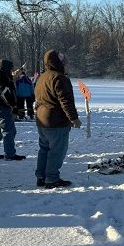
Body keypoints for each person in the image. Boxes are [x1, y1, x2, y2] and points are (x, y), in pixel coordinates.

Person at [34, 50, 80, 187]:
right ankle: (52, 178)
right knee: (57, 151)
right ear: (58, 63)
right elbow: (66, 101)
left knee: (45, 149)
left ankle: (41, 176)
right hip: (55, 121)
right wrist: (74, 118)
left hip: (42, 120)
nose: (65, 65)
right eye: (63, 62)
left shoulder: (42, 77)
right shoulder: (59, 78)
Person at [0, 59, 25, 160]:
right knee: (9, 131)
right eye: (10, 68)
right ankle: (9, 154)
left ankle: (8, 153)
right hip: (3, 108)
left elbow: (13, 76)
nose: (11, 70)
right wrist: (13, 106)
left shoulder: (3, 76)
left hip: (1, 108)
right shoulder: (3, 78)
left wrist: (20, 70)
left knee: (1, 132)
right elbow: (4, 93)